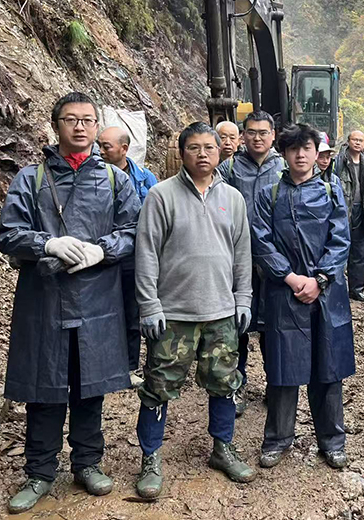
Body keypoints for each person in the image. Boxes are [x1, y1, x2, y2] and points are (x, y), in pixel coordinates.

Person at [0, 92, 141, 514]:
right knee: (44, 387)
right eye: (71, 119)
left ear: (97, 127)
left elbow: (135, 229)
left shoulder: (114, 179)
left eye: (88, 120)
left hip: (98, 300)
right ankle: (39, 471)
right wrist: (47, 243)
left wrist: (102, 250)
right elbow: (7, 232)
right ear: (55, 125)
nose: (80, 126)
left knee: (89, 385)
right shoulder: (31, 178)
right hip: (45, 299)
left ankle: (87, 463)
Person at [134, 122, 255, 498]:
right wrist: (149, 305)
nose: (202, 154)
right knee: (158, 387)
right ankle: (151, 457)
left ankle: (223, 447)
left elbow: (242, 253)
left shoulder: (233, 197)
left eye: (209, 147)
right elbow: (146, 252)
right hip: (174, 315)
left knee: (224, 382)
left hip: (221, 312)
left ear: (220, 152)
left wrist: (244, 298)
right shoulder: (161, 195)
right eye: (194, 148)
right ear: (182, 152)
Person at [250, 124, 354, 470]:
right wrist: (291, 277)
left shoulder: (331, 189)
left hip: (326, 294)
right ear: (284, 153)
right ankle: (277, 439)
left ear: (316, 151)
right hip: (285, 292)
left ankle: (332, 442)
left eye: (306, 148)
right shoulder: (269, 193)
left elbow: (341, 238)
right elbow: (261, 240)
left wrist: (320, 279)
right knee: (283, 370)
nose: (300, 155)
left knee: (328, 369)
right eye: (293, 149)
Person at [218, 111, 284, 416]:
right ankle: (236, 384)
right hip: (236, 258)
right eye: (252, 132)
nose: (257, 138)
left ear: (273, 135)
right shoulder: (230, 167)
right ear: (243, 136)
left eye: (263, 132)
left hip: (273, 260)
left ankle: (276, 385)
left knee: (273, 326)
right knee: (237, 325)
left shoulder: (283, 167)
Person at [97, 126, 159, 387]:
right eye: (98, 145)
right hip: (100, 252)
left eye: (106, 146)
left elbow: (156, 214)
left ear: (124, 149)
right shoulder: (93, 176)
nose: (100, 151)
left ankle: (130, 366)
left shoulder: (144, 178)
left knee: (132, 312)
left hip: (134, 254)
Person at [333, 130, 364, 303]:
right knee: (340, 249)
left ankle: (357, 289)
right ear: (349, 141)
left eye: (361, 140)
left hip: (363, 211)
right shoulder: (339, 161)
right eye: (355, 140)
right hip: (344, 210)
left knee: (360, 252)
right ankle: (336, 287)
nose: (358, 143)